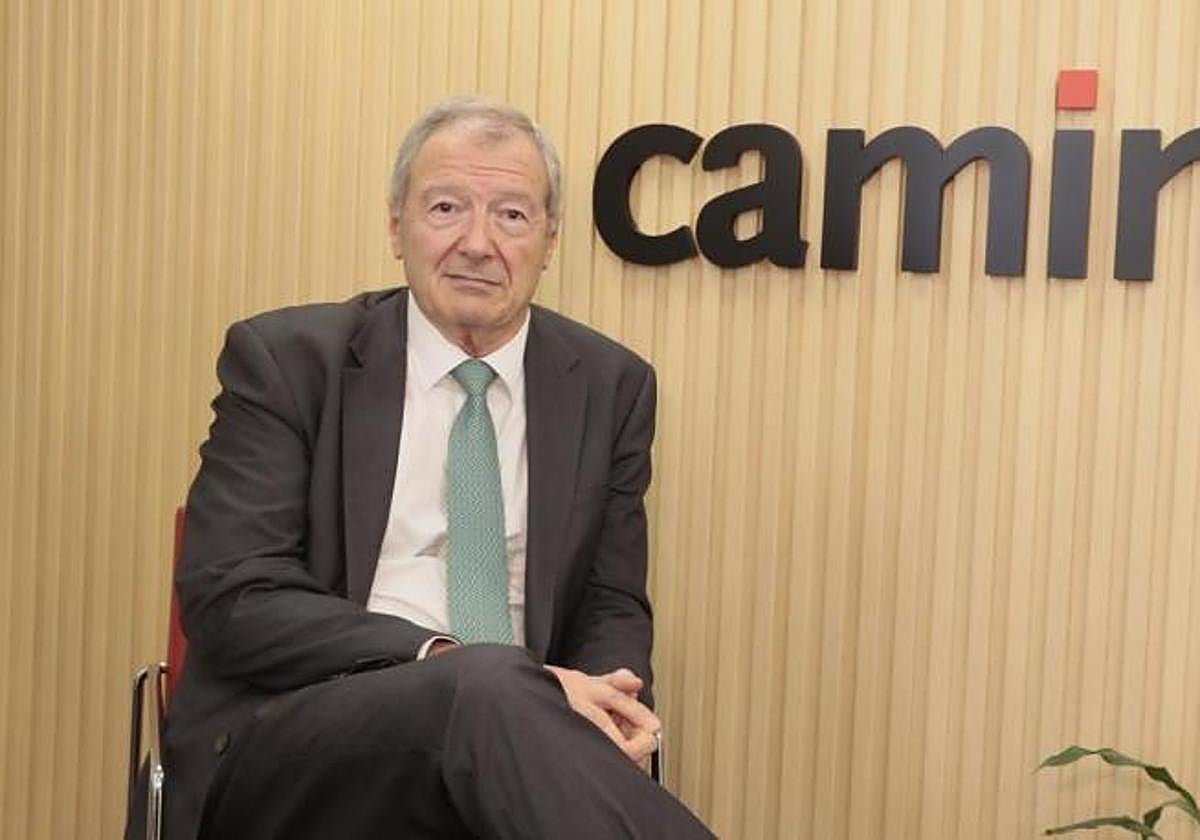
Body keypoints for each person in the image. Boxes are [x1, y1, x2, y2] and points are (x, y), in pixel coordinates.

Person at [161, 97, 715, 839]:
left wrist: (606, 694)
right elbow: (234, 596)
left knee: (497, 699)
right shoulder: (289, 362)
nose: (477, 243)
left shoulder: (610, 386)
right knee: (486, 680)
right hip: (299, 738)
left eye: (512, 215)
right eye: (446, 207)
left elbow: (610, 601)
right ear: (397, 225)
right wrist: (444, 660)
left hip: (511, 743)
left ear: (550, 239)